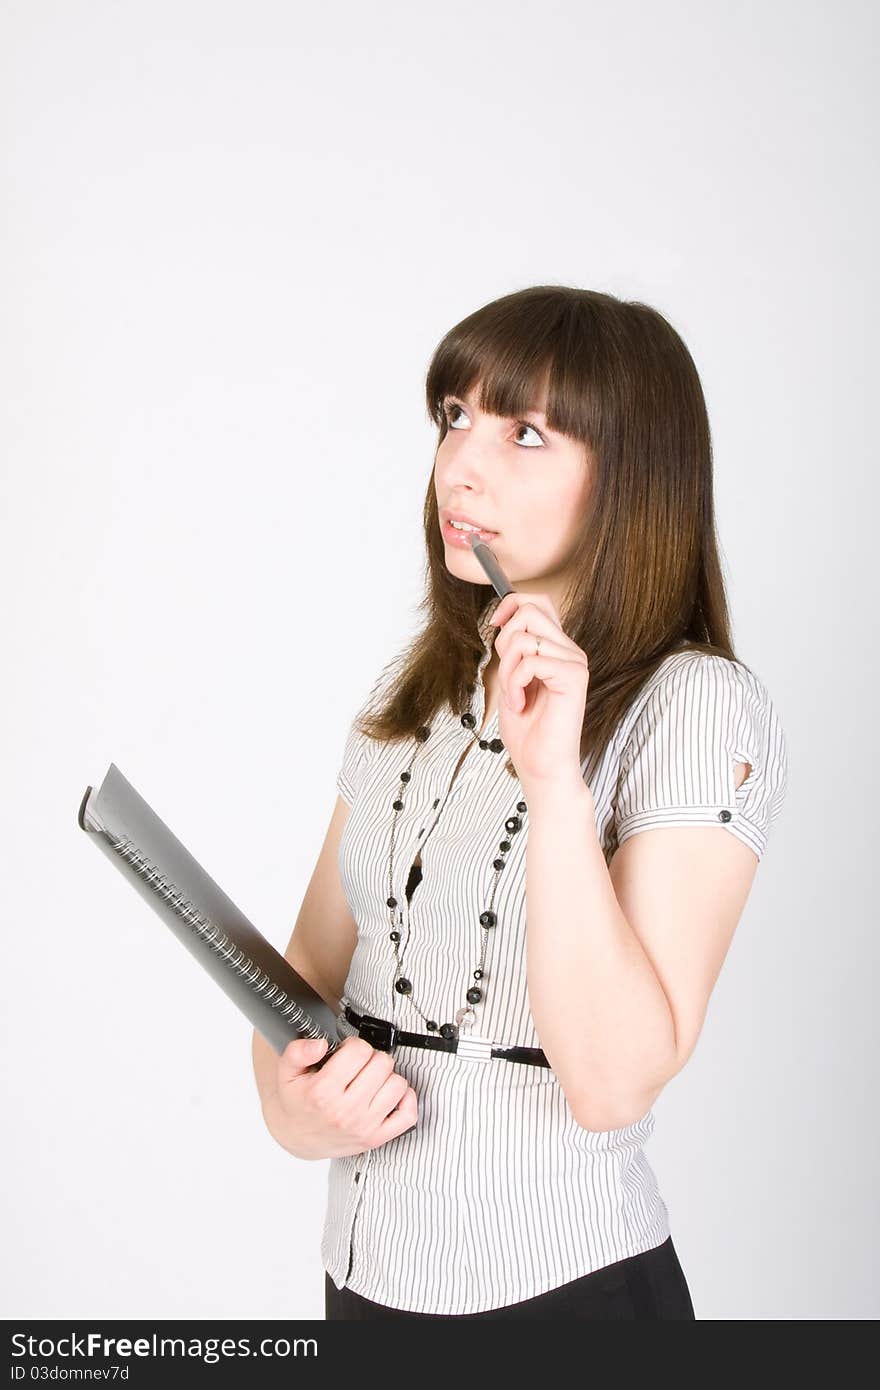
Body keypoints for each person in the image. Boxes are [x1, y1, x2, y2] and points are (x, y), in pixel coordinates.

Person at [251, 285, 788, 1320]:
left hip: (564, 1299)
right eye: (454, 416)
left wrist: (553, 781)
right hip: (359, 1283)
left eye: (526, 431)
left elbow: (612, 1083)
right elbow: (306, 976)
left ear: (631, 474)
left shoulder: (699, 708)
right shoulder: (413, 696)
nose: (461, 461)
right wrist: (295, 1108)